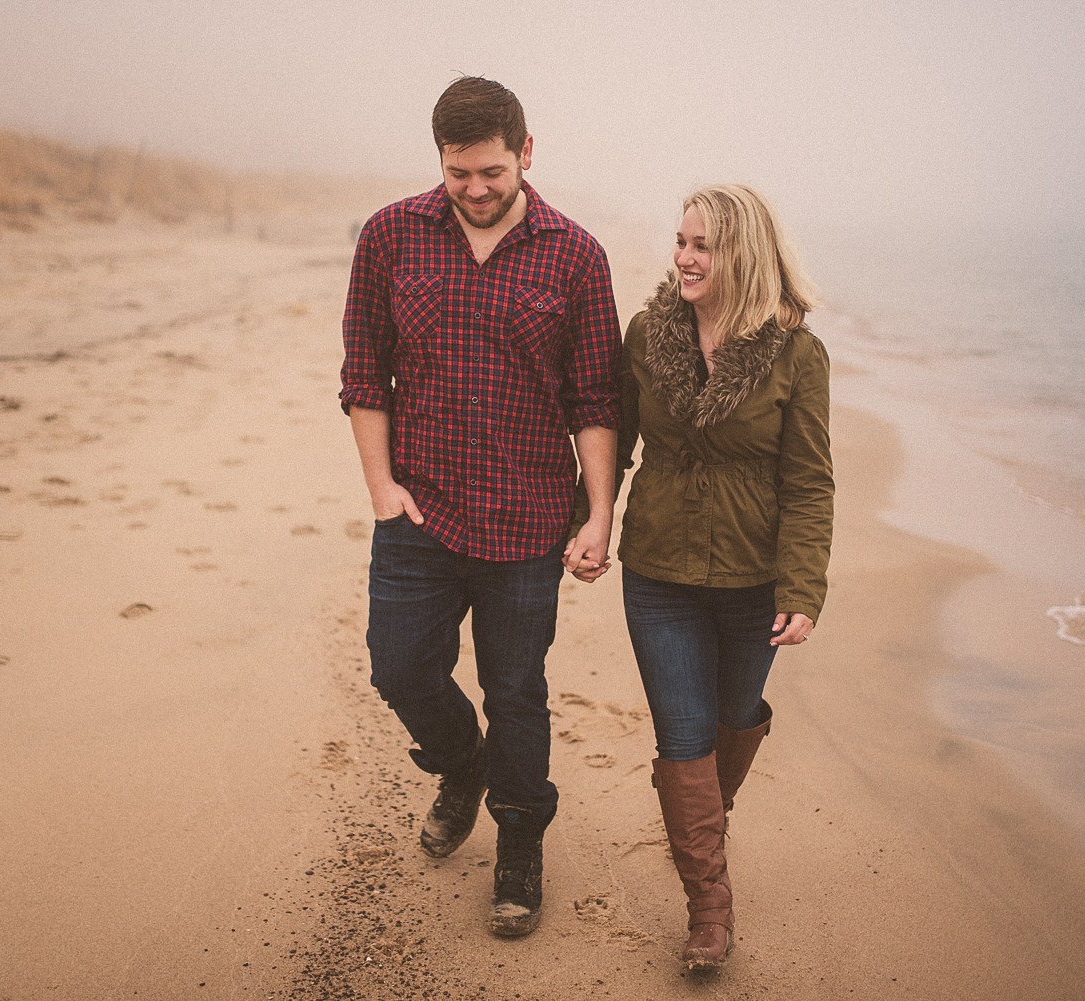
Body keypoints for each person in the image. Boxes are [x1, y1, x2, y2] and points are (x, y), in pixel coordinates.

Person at [340, 76, 621, 937]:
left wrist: (599, 513)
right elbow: (363, 375)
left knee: (517, 690)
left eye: (492, 170)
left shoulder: (575, 255)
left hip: (528, 521)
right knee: (398, 667)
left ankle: (520, 845)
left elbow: (597, 401)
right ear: (441, 160)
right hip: (419, 516)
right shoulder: (391, 236)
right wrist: (382, 490)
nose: (475, 188)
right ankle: (463, 766)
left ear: (526, 153)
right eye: (458, 172)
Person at [567, 184, 832, 968]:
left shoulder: (796, 353)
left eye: (702, 245)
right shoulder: (650, 332)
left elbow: (810, 481)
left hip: (756, 579)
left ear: (742, 254)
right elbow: (609, 433)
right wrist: (594, 519)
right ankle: (709, 914)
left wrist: (803, 589)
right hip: (661, 572)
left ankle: (700, 827)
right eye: (680, 240)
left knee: (734, 716)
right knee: (682, 734)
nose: (683, 256)